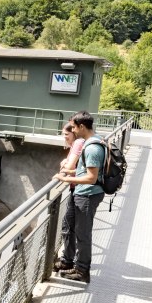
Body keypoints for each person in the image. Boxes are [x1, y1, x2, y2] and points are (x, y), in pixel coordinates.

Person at [53, 111, 105, 283]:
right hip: (81, 193)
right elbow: (85, 170)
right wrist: (70, 171)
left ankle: (82, 270)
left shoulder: (92, 148)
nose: (73, 130)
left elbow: (91, 177)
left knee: (83, 234)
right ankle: (67, 262)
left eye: (74, 127)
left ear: (82, 126)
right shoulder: (90, 142)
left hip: (88, 195)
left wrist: (67, 178)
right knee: (69, 226)